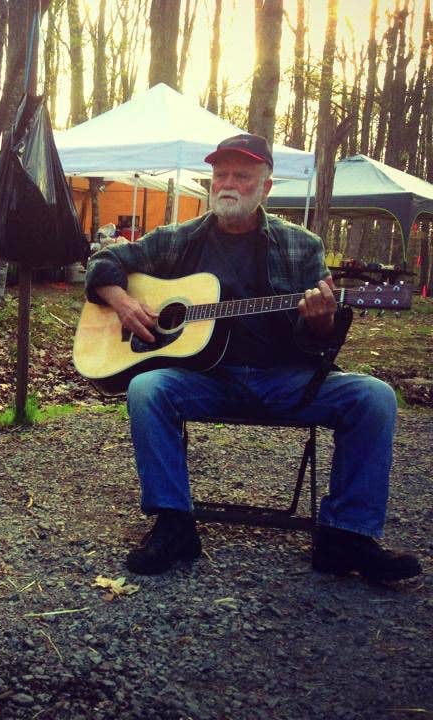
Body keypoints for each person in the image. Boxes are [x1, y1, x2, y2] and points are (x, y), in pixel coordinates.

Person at [84, 133, 421, 583]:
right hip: (207, 381)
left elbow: (318, 340)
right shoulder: (179, 239)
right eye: (220, 174)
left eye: (241, 176)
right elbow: (102, 262)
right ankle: (173, 524)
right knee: (147, 388)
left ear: (265, 186)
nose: (227, 183)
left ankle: (346, 536)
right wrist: (124, 302)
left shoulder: (301, 246)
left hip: (283, 380)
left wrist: (321, 321)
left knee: (374, 397)